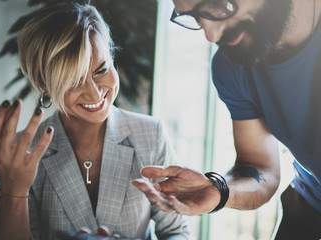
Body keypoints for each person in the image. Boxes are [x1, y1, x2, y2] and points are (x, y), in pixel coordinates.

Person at [0, 2, 189, 240]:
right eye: (74, 80)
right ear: (43, 85)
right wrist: (11, 192)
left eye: (101, 70)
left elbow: (175, 231)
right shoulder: (25, 154)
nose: (94, 93)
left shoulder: (152, 135)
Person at [132, 0, 321, 239]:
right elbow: (260, 168)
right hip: (309, 206)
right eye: (196, 17)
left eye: (217, 5)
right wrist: (219, 189)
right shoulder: (232, 65)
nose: (211, 35)